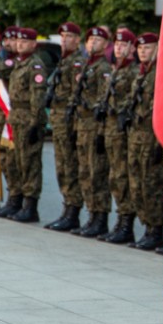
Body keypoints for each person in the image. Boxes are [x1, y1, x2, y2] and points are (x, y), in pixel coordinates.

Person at [126, 32, 163, 252]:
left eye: (148, 48)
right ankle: (148, 229)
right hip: (137, 137)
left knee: (152, 186)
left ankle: (156, 232)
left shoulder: (158, 73)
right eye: (140, 48)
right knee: (139, 184)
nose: (143, 51)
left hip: (151, 139)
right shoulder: (142, 73)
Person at [44, 22, 87, 232]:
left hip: (70, 124)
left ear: (77, 40)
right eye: (62, 36)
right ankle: (67, 209)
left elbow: (76, 97)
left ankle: (73, 212)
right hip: (59, 123)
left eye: (69, 36)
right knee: (62, 168)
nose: (65, 40)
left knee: (71, 168)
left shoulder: (77, 63)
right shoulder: (64, 61)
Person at [70, 26, 112, 237]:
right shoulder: (87, 66)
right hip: (82, 126)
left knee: (97, 174)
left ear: (105, 44)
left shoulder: (104, 68)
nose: (93, 43)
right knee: (85, 173)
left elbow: (102, 101)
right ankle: (91, 215)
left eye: (98, 40)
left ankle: (100, 217)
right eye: (90, 40)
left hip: (94, 127)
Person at [98, 28, 139, 244]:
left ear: (132, 48)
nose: (120, 48)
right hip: (111, 132)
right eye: (118, 45)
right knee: (115, 177)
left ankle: (126, 224)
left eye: (125, 45)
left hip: (124, 134)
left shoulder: (133, 72)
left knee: (123, 178)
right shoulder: (117, 71)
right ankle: (120, 222)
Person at [6, 28, 48, 223]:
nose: (19, 44)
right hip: (15, 118)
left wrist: (35, 124)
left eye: (25, 42)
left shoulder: (35, 66)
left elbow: (37, 99)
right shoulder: (18, 63)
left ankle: (31, 207)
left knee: (29, 164)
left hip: (28, 120)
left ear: (33, 44)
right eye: (18, 41)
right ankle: (17, 201)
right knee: (15, 162)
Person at [0, 26, 23, 218]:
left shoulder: (14, 62)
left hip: (16, 119)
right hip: (3, 117)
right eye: (7, 40)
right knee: (6, 161)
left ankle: (20, 200)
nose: (9, 44)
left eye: (14, 40)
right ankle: (10, 197)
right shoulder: (8, 60)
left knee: (18, 162)